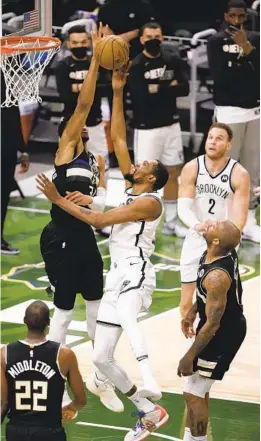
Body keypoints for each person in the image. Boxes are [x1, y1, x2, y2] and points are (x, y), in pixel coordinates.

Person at [36, 66, 169, 441]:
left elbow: (100, 216)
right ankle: (140, 405)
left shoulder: (146, 200)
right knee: (88, 341)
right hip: (84, 251)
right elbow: (117, 136)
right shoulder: (75, 152)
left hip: (130, 267)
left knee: (117, 313)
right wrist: (117, 86)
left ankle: (146, 381)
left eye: (145, 165)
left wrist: (60, 198)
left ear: (151, 178)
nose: (137, 163)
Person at [40, 23, 122, 413]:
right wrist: (95, 61)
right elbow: (85, 106)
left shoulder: (95, 161)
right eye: (76, 129)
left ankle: (101, 376)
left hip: (86, 235)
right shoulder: (65, 152)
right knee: (63, 309)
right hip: (62, 237)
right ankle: (49, 374)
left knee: (96, 305)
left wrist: (94, 194)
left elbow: (101, 208)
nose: (82, 132)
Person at [177, 220, 246, 441]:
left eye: (214, 226)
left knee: (194, 391)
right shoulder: (216, 253)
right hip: (214, 325)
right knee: (196, 388)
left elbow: (213, 324)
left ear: (216, 241)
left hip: (222, 333)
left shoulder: (217, 276)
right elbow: (207, 296)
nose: (209, 223)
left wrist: (189, 356)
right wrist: (193, 311)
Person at [178, 122, 250, 319]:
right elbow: (183, 206)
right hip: (196, 236)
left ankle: (219, 342)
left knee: (219, 302)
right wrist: (197, 225)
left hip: (223, 242)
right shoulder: (192, 167)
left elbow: (239, 220)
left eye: (219, 139)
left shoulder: (239, 173)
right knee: (185, 302)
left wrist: (222, 239)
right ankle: (192, 345)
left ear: (229, 145)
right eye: (210, 137)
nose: (213, 142)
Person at [128, 21, 189, 237]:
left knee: (173, 172)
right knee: (144, 177)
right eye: (149, 37)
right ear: (142, 40)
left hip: (171, 124)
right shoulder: (135, 65)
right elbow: (141, 98)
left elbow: (184, 88)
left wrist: (156, 89)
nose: (154, 40)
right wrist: (167, 87)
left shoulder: (171, 59)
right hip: (147, 129)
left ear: (162, 38)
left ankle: (172, 222)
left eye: (158, 36)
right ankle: (139, 222)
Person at [207, 0, 260, 243]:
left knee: (251, 169)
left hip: (255, 110)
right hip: (229, 110)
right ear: (225, 16)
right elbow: (220, 76)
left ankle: (249, 221)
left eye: (241, 15)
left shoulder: (257, 38)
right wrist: (245, 66)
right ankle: (224, 219)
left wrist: (246, 48)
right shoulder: (216, 41)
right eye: (233, 15)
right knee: (227, 167)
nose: (237, 20)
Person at [1, 300, 86, 441]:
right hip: (50, 432)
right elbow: (81, 400)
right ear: (48, 323)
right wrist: (69, 409)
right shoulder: (64, 355)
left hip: (16, 432)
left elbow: (3, 404)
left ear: (24, 321)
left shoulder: (5, 354)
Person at [55, 24, 111, 171]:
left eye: (83, 42)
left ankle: (100, 194)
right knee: (68, 169)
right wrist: (91, 87)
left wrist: (77, 87)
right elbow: (65, 96)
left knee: (101, 167)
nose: (79, 45)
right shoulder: (62, 66)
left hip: (94, 122)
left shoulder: (98, 63)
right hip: (70, 124)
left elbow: (107, 89)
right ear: (68, 44)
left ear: (88, 42)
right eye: (75, 43)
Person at [1, 75, 30, 255]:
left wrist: (22, 149)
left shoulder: (6, 76)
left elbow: (13, 114)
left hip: (6, 146)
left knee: (3, 194)